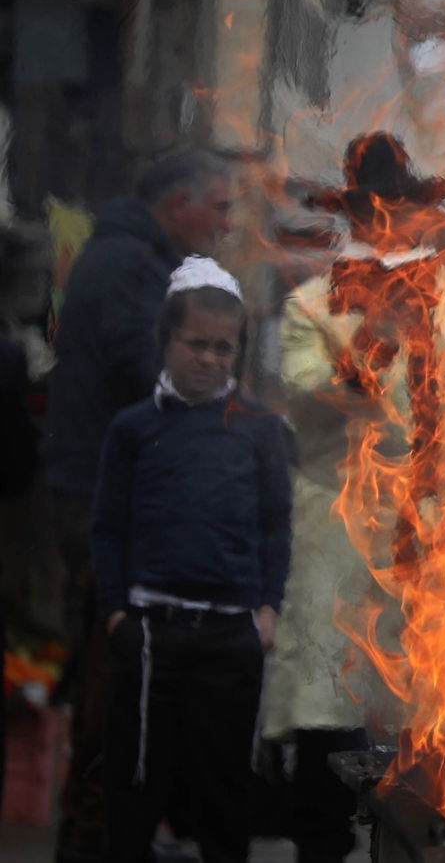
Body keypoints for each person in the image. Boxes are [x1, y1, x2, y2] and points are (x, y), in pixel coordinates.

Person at [262, 133, 445, 861]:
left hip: (438, 531)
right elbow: (307, 395)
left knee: (433, 718)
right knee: (328, 706)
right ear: (356, 218)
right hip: (340, 531)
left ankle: (415, 849)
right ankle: (321, 849)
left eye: (402, 207)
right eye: (373, 209)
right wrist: (377, 337)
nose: (389, 222)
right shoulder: (312, 304)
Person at [46, 149, 233, 862]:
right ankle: (98, 837)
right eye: (218, 206)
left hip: (107, 495)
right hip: (105, 503)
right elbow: (153, 368)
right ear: (176, 204)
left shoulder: (130, 258)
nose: (225, 222)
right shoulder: (130, 265)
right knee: (114, 673)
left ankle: (112, 830)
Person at [91, 256, 290, 863]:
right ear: (166, 340)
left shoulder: (258, 431)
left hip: (232, 633)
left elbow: (274, 526)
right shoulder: (133, 428)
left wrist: (267, 609)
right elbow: (108, 526)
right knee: (137, 778)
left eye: (223, 349)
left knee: (225, 783)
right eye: (195, 344)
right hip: (152, 631)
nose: (208, 359)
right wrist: (116, 613)